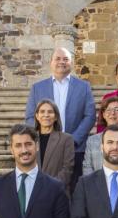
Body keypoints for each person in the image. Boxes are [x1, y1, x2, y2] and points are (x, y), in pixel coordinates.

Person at [24, 47, 96, 187]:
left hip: (76, 147)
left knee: (74, 191)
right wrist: (40, 139)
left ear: (72, 63)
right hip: (45, 147)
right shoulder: (37, 88)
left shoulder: (84, 87)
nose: (61, 62)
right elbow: (29, 117)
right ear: (50, 62)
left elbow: (90, 116)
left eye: (65, 59)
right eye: (57, 58)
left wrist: (72, 140)